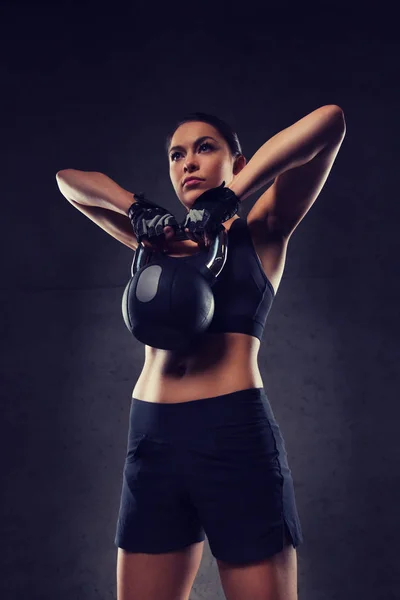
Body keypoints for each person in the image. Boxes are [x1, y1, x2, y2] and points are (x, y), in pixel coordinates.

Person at [56, 105, 346, 600]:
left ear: (238, 160)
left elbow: (329, 122)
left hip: (233, 434)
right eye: (176, 154)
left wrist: (232, 196)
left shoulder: (263, 232)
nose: (187, 162)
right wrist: (137, 209)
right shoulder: (155, 245)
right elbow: (69, 181)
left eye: (204, 148)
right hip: (152, 441)